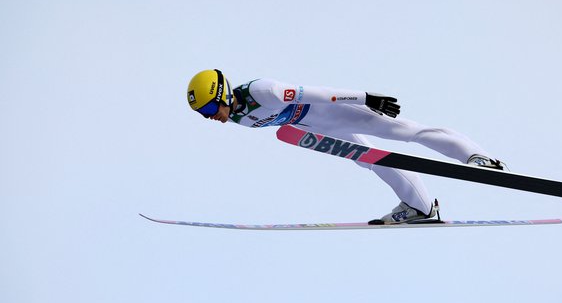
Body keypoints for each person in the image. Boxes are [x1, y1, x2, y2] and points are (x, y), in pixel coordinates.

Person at [187, 69, 506, 223]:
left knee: (405, 132)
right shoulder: (236, 118)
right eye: (203, 114)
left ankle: (477, 156)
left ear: (221, 94)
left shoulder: (263, 91)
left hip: (335, 110)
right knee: (372, 160)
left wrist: (366, 98)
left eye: (210, 109)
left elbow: (316, 92)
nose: (210, 118)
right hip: (317, 126)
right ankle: (421, 208)